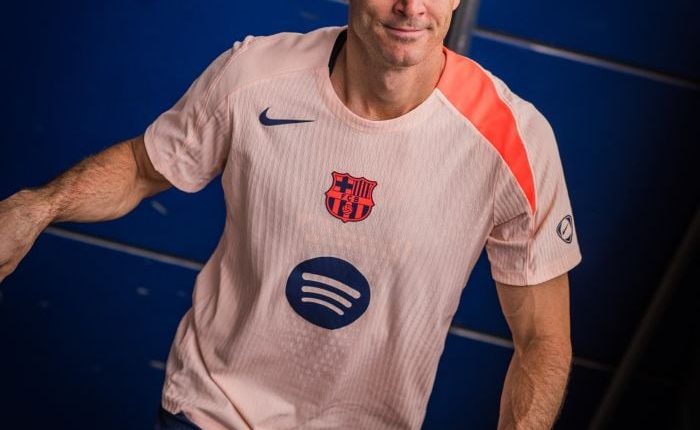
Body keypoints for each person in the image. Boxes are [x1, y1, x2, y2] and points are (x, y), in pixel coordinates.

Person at [0, 0, 582, 429]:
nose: (410, 7)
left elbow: (543, 341)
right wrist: (36, 207)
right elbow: (142, 167)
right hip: (214, 409)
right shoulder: (254, 75)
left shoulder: (515, 142)